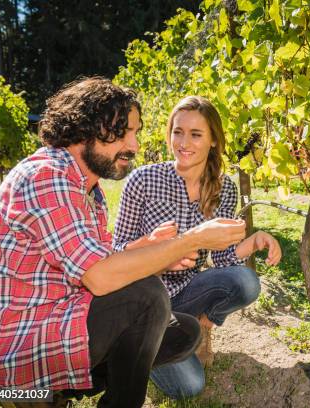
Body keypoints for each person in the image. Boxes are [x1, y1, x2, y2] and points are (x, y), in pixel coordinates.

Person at [0, 78, 247, 408]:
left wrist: (149, 248)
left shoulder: (87, 188)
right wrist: (189, 240)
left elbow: (96, 258)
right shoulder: (46, 176)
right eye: (123, 133)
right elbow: (100, 277)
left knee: (184, 332)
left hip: (63, 313)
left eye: (135, 133)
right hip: (23, 343)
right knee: (147, 297)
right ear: (85, 129)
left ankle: (64, 388)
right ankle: (35, 393)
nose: (134, 146)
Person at [112, 95, 282, 399]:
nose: (183, 142)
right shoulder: (144, 180)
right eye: (178, 132)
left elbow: (223, 259)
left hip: (187, 294)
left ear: (213, 140)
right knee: (189, 386)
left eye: (195, 134)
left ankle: (200, 327)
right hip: (144, 300)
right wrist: (158, 255)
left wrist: (254, 242)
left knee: (246, 281)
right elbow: (116, 252)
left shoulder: (223, 188)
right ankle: (144, 343)